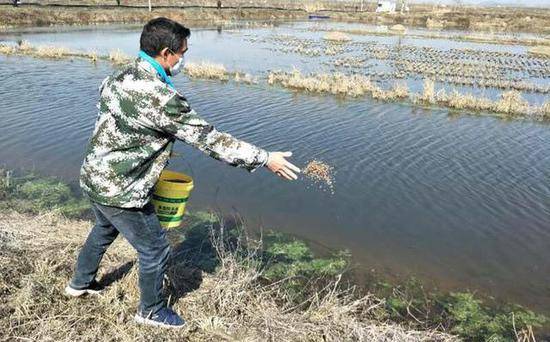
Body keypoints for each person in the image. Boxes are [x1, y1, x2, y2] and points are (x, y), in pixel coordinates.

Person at [64, 17, 300, 329]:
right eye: (182, 53)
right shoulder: (161, 98)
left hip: (94, 175)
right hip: (121, 188)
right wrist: (264, 158)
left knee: (104, 229)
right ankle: (150, 310)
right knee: (156, 249)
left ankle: (78, 284)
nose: (183, 60)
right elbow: (211, 140)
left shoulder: (119, 75)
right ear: (165, 53)